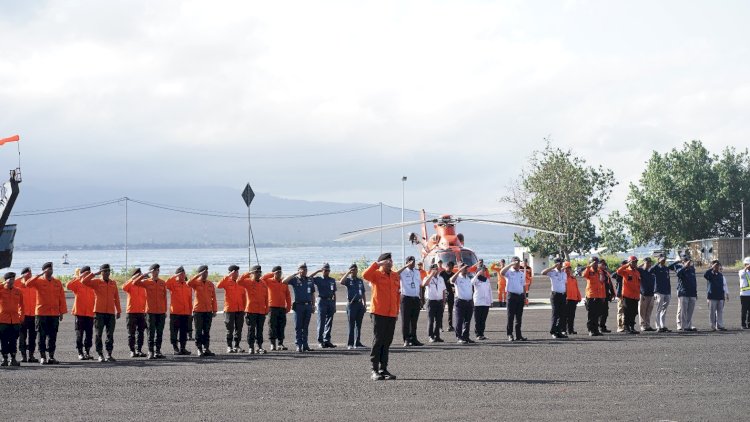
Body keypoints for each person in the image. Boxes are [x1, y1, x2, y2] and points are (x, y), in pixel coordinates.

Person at [362, 252, 400, 381]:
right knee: (378, 340)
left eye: (391, 260)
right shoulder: (376, 274)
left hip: (391, 313)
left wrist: (396, 311)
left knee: (387, 341)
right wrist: (376, 264)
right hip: (378, 312)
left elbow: (397, 294)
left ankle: (384, 368)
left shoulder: (395, 276)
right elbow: (365, 275)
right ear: (382, 263)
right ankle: (374, 369)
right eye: (387, 261)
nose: (390, 263)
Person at [25, 262, 67, 365]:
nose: (50, 271)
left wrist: (61, 312)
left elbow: (61, 297)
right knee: (41, 336)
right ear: (44, 270)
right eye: (48, 269)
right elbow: (27, 284)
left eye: (51, 269)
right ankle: (43, 356)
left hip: (54, 314)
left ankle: (51, 356)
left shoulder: (57, 282)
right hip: (41, 313)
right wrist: (39, 274)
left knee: (52, 336)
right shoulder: (38, 281)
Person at [81, 264, 122, 362]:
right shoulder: (97, 282)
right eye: (105, 271)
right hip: (99, 312)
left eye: (108, 271)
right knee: (98, 334)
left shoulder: (113, 283)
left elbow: (116, 297)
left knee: (110, 334)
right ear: (101, 272)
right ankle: (100, 354)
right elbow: (84, 281)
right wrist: (94, 274)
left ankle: (109, 354)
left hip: (110, 312)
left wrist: (119, 310)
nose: (107, 273)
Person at [133, 264, 168, 359]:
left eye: (158, 270)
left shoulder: (162, 282)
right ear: (151, 271)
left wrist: (165, 310)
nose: (156, 272)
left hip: (160, 311)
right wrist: (145, 274)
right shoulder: (146, 282)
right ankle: (151, 351)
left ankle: (158, 351)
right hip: (150, 312)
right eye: (154, 270)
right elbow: (135, 282)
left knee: (159, 333)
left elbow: (164, 297)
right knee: (151, 333)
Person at [282, 263, 316, 352]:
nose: (305, 271)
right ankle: (298, 345)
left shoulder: (309, 280)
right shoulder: (295, 280)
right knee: (298, 326)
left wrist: (313, 305)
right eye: (302, 269)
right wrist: (294, 274)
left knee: (305, 326)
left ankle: (305, 345)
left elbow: (312, 293)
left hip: (308, 305)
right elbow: (284, 281)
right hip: (299, 306)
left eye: (306, 269)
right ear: (299, 270)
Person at [187, 265, 217, 357]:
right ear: (200, 273)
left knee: (206, 331)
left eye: (207, 272)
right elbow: (188, 283)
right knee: (198, 331)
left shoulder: (210, 284)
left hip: (208, 310)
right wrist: (198, 275)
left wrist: (214, 310)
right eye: (204, 272)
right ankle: (199, 349)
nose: (206, 274)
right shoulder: (196, 283)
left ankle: (206, 348)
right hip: (198, 310)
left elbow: (214, 298)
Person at [238, 265, 269, 354]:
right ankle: (251, 347)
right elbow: (239, 281)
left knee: (260, 330)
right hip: (251, 310)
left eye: (260, 272)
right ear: (252, 273)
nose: (259, 274)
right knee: (251, 329)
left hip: (261, 311)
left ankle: (259, 346)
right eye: (256, 272)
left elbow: (266, 297)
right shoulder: (248, 282)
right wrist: (248, 273)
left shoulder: (263, 283)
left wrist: (267, 308)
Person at [66, 267, 95, 360]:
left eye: (89, 273)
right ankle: (80, 352)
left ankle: (87, 351)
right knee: (79, 334)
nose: (88, 275)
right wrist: (79, 277)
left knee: (89, 334)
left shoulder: (92, 284)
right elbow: (68, 286)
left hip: (90, 313)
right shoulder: (77, 283)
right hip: (79, 312)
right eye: (86, 273)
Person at [217, 265, 246, 353]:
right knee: (230, 329)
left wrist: (244, 308)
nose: (237, 274)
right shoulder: (227, 281)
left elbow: (244, 296)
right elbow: (218, 285)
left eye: (237, 272)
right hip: (229, 309)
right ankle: (229, 346)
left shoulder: (240, 282)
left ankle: (237, 346)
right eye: (235, 272)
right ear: (231, 273)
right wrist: (228, 275)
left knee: (239, 329)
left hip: (240, 309)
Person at [166, 266, 193, 355]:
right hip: (175, 313)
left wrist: (190, 312)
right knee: (174, 332)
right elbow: (167, 283)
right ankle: (175, 348)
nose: (183, 275)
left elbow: (189, 300)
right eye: (181, 274)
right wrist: (175, 276)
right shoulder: (173, 284)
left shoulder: (187, 286)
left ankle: (183, 348)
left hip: (185, 313)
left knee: (184, 332)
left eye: (184, 273)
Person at [310, 263, 337, 349]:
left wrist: (334, 304)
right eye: (325, 270)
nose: (327, 272)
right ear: (322, 270)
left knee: (329, 322)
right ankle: (320, 341)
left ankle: (327, 340)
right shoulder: (318, 279)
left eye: (328, 270)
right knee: (321, 322)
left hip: (330, 301)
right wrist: (317, 271)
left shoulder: (332, 280)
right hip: (322, 301)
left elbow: (334, 293)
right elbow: (309, 278)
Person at [264, 266, 292, 351]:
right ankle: (273, 344)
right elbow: (262, 278)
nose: (279, 274)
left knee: (281, 325)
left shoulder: (284, 282)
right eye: (277, 272)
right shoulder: (269, 281)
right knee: (272, 325)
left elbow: (288, 295)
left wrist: (289, 306)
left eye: (280, 272)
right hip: (272, 307)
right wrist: (271, 273)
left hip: (282, 307)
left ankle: (280, 343)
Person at [340, 264, 367, 349]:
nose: (354, 271)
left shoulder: (360, 281)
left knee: (358, 325)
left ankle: (357, 342)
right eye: (352, 269)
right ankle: (350, 344)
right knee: (351, 325)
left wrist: (365, 303)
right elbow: (341, 281)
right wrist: (348, 272)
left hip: (359, 304)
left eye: (355, 269)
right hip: (351, 304)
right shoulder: (348, 280)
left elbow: (363, 293)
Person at [398, 256, 423, 347]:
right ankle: (406, 339)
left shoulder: (417, 272)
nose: (413, 263)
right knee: (405, 320)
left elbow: (419, 285)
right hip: (406, 298)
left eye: (414, 261)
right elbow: (395, 274)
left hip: (415, 298)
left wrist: (420, 298)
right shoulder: (403, 272)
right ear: (407, 262)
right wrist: (405, 266)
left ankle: (414, 338)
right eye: (411, 261)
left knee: (414, 321)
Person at [122, 268, 148, 358]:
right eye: (138, 275)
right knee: (131, 333)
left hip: (141, 312)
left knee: (140, 332)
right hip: (131, 312)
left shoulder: (142, 285)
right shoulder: (130, 285)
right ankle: (132, 351)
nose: (139, 277)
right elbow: (124, 287)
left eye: (140, 275)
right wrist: (132, 278)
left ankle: (139, 350)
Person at [501, 257, 527, 341]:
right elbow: (502, 272)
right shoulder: (509, 272)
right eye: (516, 263)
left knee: (519, 317)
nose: (518, 264)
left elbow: (523, 285)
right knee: (510, 316)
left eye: (519, 263)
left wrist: (525, 297)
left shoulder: (521, 273)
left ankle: (518, 335)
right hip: (511, 296)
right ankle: (510, 334)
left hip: (520, 296)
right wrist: (511, 264)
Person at [0, 272, 24, 367]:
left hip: (14, 320)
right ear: (6, 280)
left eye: (13, 279)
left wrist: (21, 316)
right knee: (4, 340)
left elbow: (21, 305)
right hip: (3, 320)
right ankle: (4, 358)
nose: (12, 281)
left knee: (13, 340)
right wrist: (3, 283)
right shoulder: (1, 290)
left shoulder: (18, 291)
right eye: (10, 279)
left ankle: (13, 358)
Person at [541, 258, 568, 339]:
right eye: (559, 263)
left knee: (562, 314)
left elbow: (564, 284)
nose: (561, 264)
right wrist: (553, 267)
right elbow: (543, 272)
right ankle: (553, 331)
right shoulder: (552, 272)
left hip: (563, 295)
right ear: (556, 264)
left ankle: (559, 331)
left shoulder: (564, 273)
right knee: (555, 314)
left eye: (561, 263)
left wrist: (566, 294)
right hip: (555, 295)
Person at [15, 267, 38, 363]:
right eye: (28, 274)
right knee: (22, 336)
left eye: (31, 274)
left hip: (34, 314)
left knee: (33, 336)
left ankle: (31, 355)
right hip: (22, 315)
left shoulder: (34, 285)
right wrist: (21, 277)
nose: (30, 275)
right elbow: (9, 283)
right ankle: (23, 355)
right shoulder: (18, 284)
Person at [449, 263, 474, 344]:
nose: (466, 269)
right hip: (460, 302)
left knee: (467, 321)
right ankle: (459, 337)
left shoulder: (468, 278)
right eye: (464, 268)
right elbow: (451, 280)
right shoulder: (457, 278)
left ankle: (466, 337)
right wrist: (459, 271)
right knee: (459, 320)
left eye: (467, 268)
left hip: (469, 302)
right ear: (460, 268)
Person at [617, 256, 642, 334]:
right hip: (627, 296)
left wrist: (638, 295)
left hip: (635, 296)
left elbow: (638, 284)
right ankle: (626, 327)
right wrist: (627, 264)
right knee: (627, 312)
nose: (635, 263)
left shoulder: (637, 272)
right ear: (630, 262)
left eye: (636, 262)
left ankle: (632, 327)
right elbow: (618, 271)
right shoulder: (626, 271)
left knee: (634, 312)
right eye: (633, 262)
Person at [421, 263, 446, 343]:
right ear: (431, 270)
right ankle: (431, 336)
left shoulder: (441, 279)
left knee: (439, 320)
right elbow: (424, 284)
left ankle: (437, 336)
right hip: (431, 301)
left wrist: (444, 301)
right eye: (434, 269)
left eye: (437, 269)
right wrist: (431, 275)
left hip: (439, 301)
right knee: (431, 320)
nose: (436, 270)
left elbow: (443, 290)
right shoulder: (427, 278)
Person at [582, 257, 605, 336]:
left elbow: (601, 284)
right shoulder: (589, 271)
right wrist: (588, 266)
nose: (596, 264)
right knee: (591, 314)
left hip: (598, 296)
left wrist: (602, 296)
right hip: (591, 296)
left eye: (597, 262)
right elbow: (583, 275)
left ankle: (596, 330)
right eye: (594, 262)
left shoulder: (599, 271)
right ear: (591, 263)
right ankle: (591, 330)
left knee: (597, 314)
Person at [675, 255, 698, 332]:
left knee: (690, 311)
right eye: (686, 261)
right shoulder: (680, 268)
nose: (688, 262)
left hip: (692, 293)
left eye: (689, 261)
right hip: (683, 292)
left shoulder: (692, 269)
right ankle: (684, 326)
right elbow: (678, 274)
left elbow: (694, 281)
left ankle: (688, 325)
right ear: (683, 262)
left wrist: (696, 292)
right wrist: (684, 267)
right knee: (683, 311)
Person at [650, 255, 673, 332]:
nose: (663, 261)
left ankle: (663, 325)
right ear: (659, 260)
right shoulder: (656, 268)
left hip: (666, 291)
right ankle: (658, 326)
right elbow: (650, 270)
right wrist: (657, 263)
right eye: (662, 260)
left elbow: (668, 280)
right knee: (659, 309)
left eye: (664, 260)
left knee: (664, 309)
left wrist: (669, 291)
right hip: (659, 291)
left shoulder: (666, 268)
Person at [704, 260, 729, 331]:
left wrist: (725, 295)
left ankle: (720, 325)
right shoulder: (710, 274)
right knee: (712, 312)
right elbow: (705, 275)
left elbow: (723, 286)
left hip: (720, 296)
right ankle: (713, 326)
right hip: (712, 296)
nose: (717, 267)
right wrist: (712, 268)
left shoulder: (720, 275)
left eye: (718, 265)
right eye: (716, 266)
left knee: (720, 312)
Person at [471, 262, 492, 340]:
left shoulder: (487, 280)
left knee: (483, 319)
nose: (484, 272)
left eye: (484, 271)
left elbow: (489, 291)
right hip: (478, 302)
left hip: (486, 302)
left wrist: (491, 301)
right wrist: (476, 275)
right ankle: (478, 334)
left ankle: (482, 333)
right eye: (482, 270)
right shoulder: (476, 279)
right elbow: (471, 283)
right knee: (477, 319)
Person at [637, 257, 656, 332]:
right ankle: (643, 326)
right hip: (643, 293)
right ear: (644, 263)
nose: (649, 264)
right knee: (642, 311)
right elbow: (636, 268)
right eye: (647, 262)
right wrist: (642, 264)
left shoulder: (651, 271)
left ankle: (647, 325)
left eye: (650, 262)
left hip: (651, 293)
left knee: (649, 311)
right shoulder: (641, 270)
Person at [563, 262, 581, 335]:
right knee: (564, 316)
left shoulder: (573, 278)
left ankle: (570, 329)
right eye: (566, 268)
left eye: (569, 268)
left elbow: (576, 288)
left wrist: (579, 297)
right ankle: (563, 330)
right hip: (565, 299)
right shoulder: (563, 277)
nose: (567, 270)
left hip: (573, 299)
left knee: (571, 316)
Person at [599, 261, 616, 333]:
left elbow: (610, 284)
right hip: (599, 295)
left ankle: (603, 326)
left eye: (605, 264)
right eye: (602, 264)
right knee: (599, 312)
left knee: (605, 312)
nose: (604, 265)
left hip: (606, 295)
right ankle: (599, 327)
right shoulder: (598, 272)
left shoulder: (606, 273)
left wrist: (612, 293)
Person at [440, 261, 456, 332]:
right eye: (448, 266)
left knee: (450, 310)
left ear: (452, 267)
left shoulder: (453, 274)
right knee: (441, 310)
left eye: (451, 267)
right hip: (442, 294)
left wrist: (454, 289)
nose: (449, 268)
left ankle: (450, 326)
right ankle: (440, 326)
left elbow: (455, 284)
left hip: (451, 294)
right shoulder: (442, 274)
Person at [613, 260, 627, 332]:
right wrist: (622, 268)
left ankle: (625, 326)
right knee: (620, 310)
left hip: (627, 294)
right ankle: (620, 326)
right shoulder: (619, 274)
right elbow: (613, 275)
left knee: (626, 311)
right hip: (620, 294)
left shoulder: (627, 273)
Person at [740, 257, 750, 329]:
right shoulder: (742, 271)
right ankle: (743, 324)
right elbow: (742, 275)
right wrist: (746, 268)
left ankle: (749, 324)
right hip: (744, 294)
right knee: (744, 310)